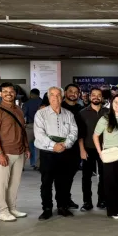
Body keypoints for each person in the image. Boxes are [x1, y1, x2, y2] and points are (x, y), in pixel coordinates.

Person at [34, 86, 79, 220]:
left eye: (58, 95)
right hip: (48, 153)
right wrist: (54, 145)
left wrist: (65, 144)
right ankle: (47, 208)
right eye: (52, 95)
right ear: (48, 98)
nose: (55, 98)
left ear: (62, 97)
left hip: (64, 152)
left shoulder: (69, 114)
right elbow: (39, 134)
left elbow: (74, 132)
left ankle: (62, 207)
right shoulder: (41, 114)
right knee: (46, 182)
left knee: (63, 181)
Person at [0, 83, 30, 222]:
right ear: (0, 94)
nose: (8, 94)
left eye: (11, 91)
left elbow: (23, 130)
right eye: (5, 91)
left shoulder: (19, 109)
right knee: (2, 183)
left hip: (19, 151)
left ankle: (12, 208)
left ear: (15, 93)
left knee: (14, 183)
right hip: (4, 153)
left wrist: (26, 147)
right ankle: (2, 211)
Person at [78, 88, 108, 211]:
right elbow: (80, 134)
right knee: (86, 177)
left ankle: (102, 200)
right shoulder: (82, 113)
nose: (96, 97)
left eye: (99, 95)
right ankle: (87, 202)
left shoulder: (108, 112)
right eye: (93, 95)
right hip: (88, 148)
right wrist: (82, 149)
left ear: (102, 98)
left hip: (104, 149)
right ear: (90, 97)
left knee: (104, 176)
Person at [61, 84, 83, 209]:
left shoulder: (81, 109)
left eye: (76, 92)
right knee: (61, 176)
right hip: (61, 147)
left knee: (70, 175)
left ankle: (66, 199)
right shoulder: (59, 107)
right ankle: (62, 202)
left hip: (75, 148)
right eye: (70, 91)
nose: (73, 94)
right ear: (65, 93)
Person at [22, 88, 42, 169]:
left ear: (31, 94)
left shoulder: (27, 103)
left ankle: (22, 165)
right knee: (39, 147)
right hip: (41, 127)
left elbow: (23, 115)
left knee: (25, 145)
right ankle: (38, 165)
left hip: (30, 126)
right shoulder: (42, 102)